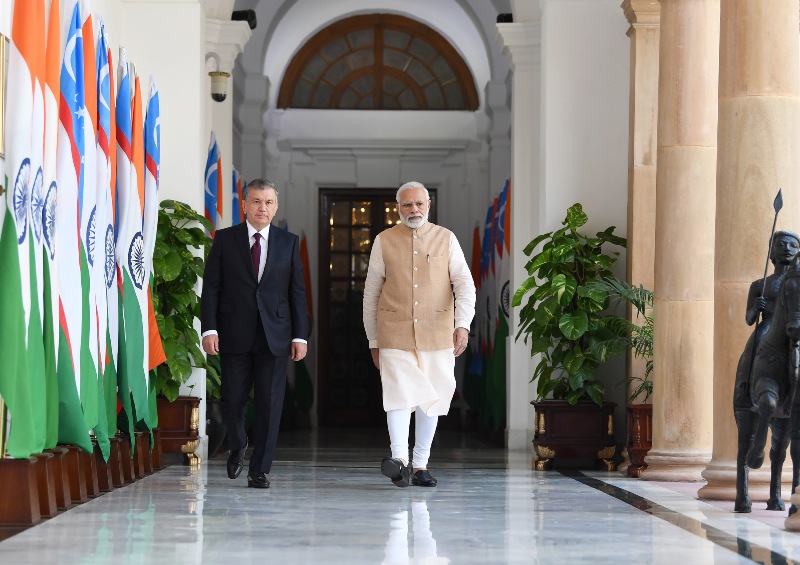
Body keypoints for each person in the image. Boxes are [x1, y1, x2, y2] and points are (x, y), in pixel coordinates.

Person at [363, 181, 476, 487]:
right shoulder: (383, 240)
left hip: (438, 332)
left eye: (419, 204)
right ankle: (399, 460)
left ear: (428, 205)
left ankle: (420, 465)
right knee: (398, 395)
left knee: (432, 398)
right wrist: (373, 338)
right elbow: (371, 292)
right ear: (397, 208)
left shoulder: (446, 239)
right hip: (393, 331)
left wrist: (462, 324)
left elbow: (464, 284)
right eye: (406, 205)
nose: (413, 210)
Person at [201, 178, 310, 489]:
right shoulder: (224, 239)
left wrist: (300, 336)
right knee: (232, 399)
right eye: (257, 201)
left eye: (269, 202)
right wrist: (209, 328)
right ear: (245, 205)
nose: (263, 207)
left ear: (276, 208)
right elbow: (211, 289)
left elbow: (296, 293)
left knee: (269, 403)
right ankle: (237, 443)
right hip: (233, 333)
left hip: (275, 336)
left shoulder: (288, 243)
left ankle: (260, 469)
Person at [734, 231, 799, 510]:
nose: (786, 247)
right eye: (780, 243)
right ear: (771, 251)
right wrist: (756, 308)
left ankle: (777, 494)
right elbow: (750, 319)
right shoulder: (760, 284)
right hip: (765, 334)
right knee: (755, 346)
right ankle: (745, 391)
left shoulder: (796, 282)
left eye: (793, 244)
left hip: (791, 335)